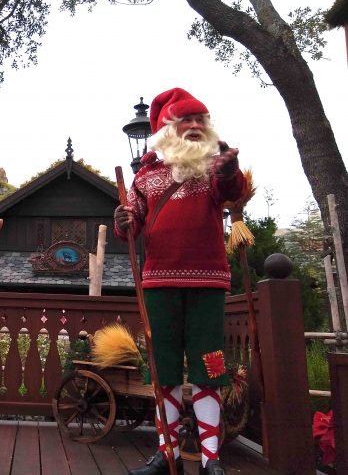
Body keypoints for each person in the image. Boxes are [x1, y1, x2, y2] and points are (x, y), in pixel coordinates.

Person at [114, 88, 244, 475]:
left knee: (210, 366)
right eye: (184, 120)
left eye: (198, 120)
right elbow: (132, 225)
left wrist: (227, 170)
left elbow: (233, 193)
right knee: (163, 367)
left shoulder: (216, 166)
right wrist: (124, 222)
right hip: (158, 282)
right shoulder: (147, 174)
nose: (192, 126)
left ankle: (210, 459)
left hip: (209, 283)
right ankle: (166, 454)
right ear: (168, 129)